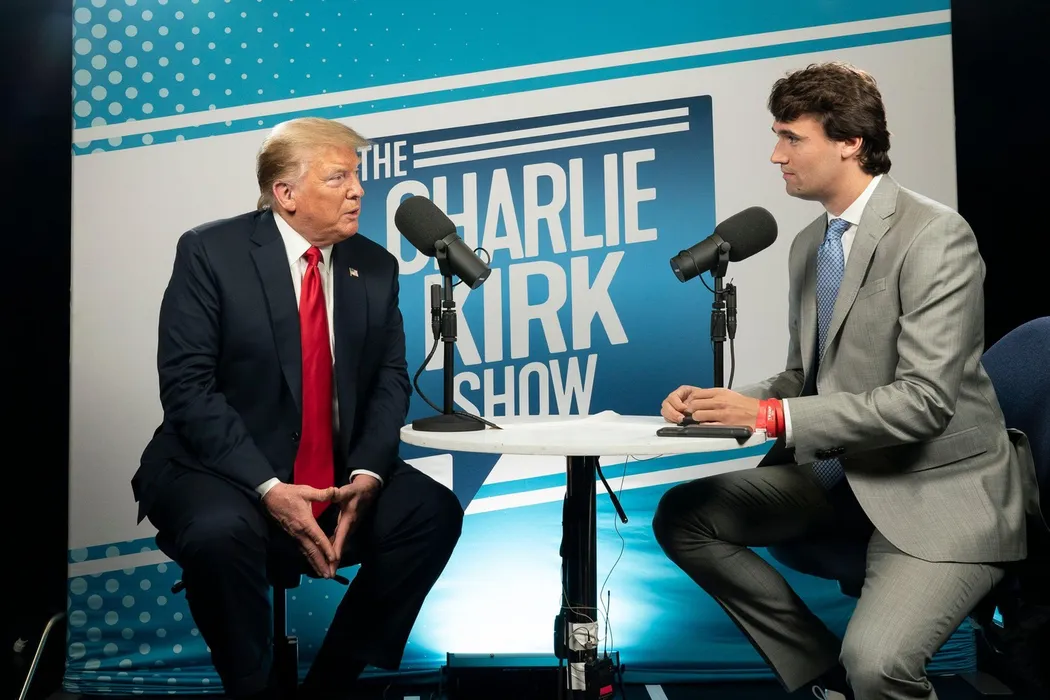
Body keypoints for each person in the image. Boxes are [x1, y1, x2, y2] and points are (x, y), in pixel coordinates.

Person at [652, 62, 1041, 700]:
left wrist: (768, 419)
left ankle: (855, 679)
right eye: (777, 137)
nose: (776, 156)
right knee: (685, 517)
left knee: (879, 667)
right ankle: (822, 678)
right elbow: (805, 376)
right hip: (844, 476)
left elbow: (925, 403)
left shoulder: (935, 235)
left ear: (850, 142)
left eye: (792, 138)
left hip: (936, 493)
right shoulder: (811, 243)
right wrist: (728, 401)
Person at [132, 117, 464, 700]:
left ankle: (333, 684)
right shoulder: (210, 252)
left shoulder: (375, 266)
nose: (358, 190)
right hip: (223, 469)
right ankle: (251, 689)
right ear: (285, 193)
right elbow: (187, 388)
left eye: (356, 176)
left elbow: (389, 380)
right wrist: (268, 487)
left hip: (332, 468)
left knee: (431, 513)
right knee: (218, 535)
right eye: (339, 178)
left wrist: (367, 474)